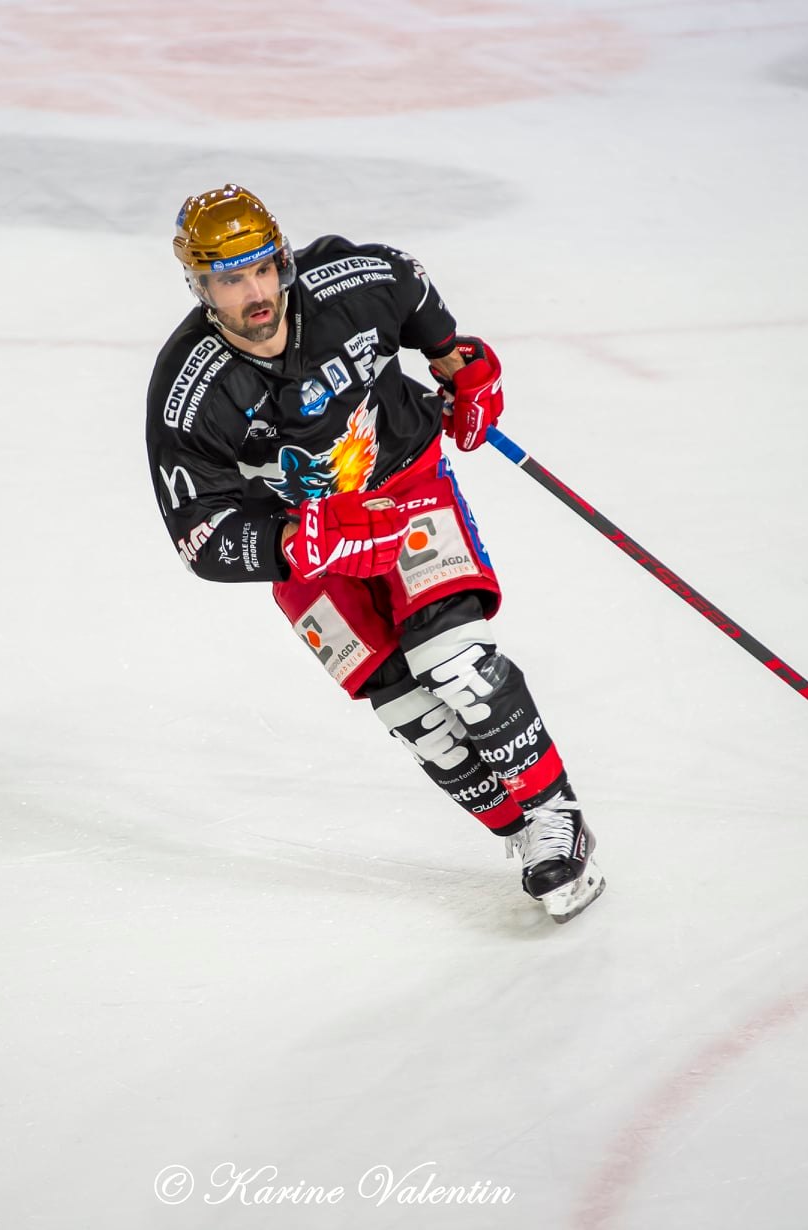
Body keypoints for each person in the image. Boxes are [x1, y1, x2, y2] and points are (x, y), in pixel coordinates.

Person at [143, 185, 605, 923]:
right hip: (308, 542)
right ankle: (520, 835)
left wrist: (462, 366)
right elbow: (198, 537)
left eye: (262, 268)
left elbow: (415, 295)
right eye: (230, 280)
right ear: (200, 286)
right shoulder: (190, 391)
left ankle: (558, 818)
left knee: (455, 662)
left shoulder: (353, 283)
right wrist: (292, 541)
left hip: (407, 480)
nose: (255, 293)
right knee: (410, 708)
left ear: (283, 256)